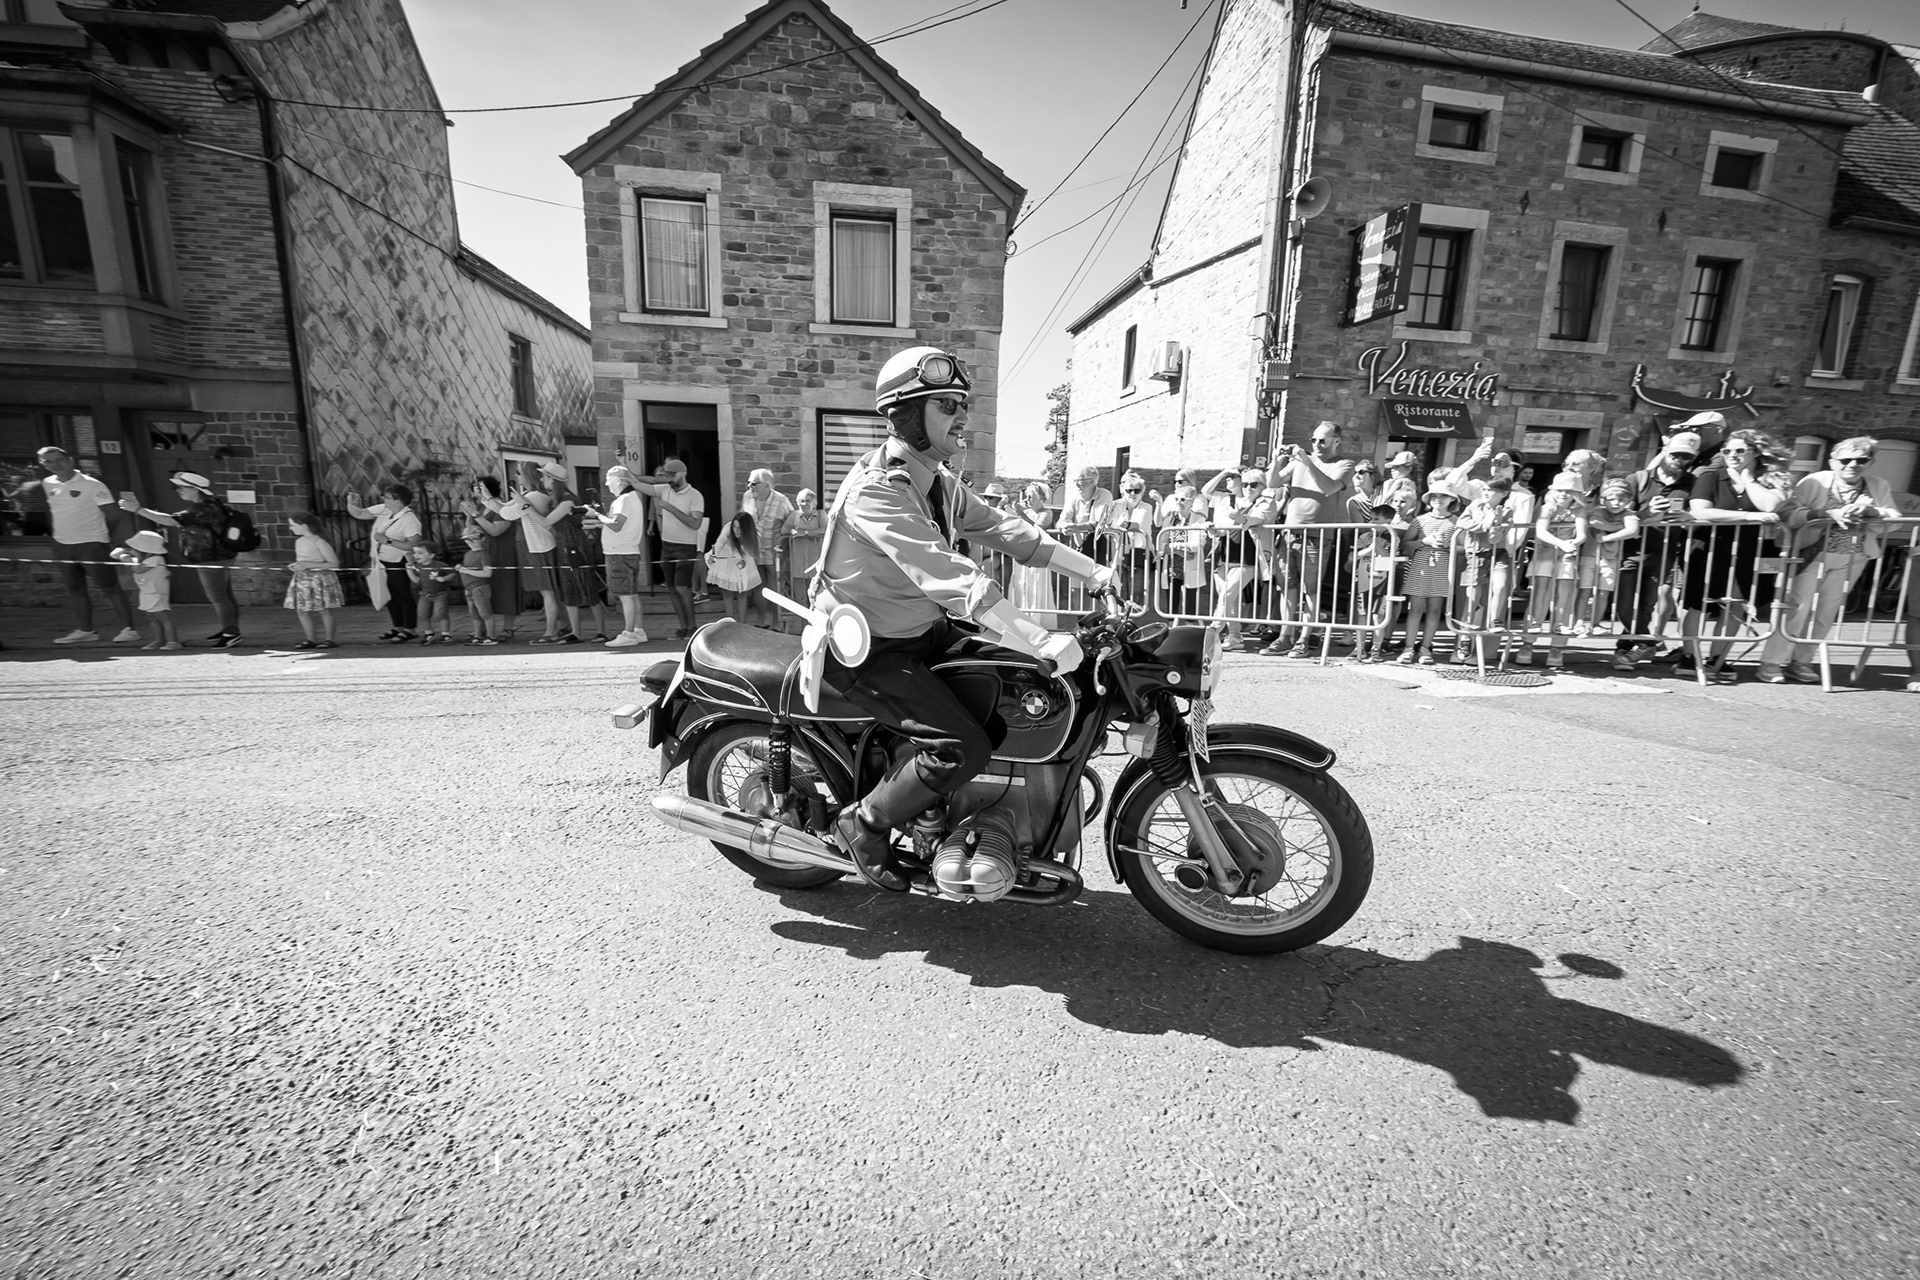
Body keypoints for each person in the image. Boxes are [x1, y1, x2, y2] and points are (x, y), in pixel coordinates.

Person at [814, 345, 1110, 892]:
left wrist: (1093, 571)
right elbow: (948, 574)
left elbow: (1006, 530)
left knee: (1019, 686)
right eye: (946, 405)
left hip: (922, 633)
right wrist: (1037, 635)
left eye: (962, 405)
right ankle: (865, 824)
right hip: (869, 649)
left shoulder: (938, 482)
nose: (961, 417)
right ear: (907, 415)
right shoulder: (877, 491)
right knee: (960, 746)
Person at [1758, 436, 1902, 685]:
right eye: (1845, 460)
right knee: (1797, 608)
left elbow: (1894, 518)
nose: (1853, 465)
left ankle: (1801, 662)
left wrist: (1873, 512)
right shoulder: (1815, 482)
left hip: (1853, 557)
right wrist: (1823, 514)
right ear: (1833, 461)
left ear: (1870, 462)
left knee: (1826, 613)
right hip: (1812, 554)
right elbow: (1788, 512)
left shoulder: (1877, 484)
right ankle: (1771, 662)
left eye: (1861, 460)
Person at [1681, 429, 1788, 683]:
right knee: (1697, 603)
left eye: (1740, 450)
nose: (1732, 455)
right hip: (1710, 546)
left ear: (1756, 452)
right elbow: (1701, 511)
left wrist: (1749, 480)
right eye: (1727, 450)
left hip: (1753, 550)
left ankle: (1717, 658)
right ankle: (1689, 656)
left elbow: (1771, 506)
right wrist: (1750, 516)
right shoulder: (1710, 476)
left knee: (1737, 605)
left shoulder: (1771, 479)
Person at [22, 446, 139, 645]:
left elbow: (113, 514)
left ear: (70, 460)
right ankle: (86, 631)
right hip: (62, 545)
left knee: (109, 586)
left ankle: (129, 630)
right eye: (48, 462)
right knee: (74, 588)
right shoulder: (47, 483)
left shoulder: (93, 485)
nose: (54, 465)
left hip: (92, 544)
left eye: (58, 460)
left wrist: (103, 537)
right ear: (42, 465)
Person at [1263, 421, 1357, 656]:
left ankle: (1304, 640)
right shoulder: (1299, 462)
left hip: (1317, 537)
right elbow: (1272, 482)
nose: (1316, 444)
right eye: (1313, 440)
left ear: (1336, 441)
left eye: (1322, 440)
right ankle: (1284, 637)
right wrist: (1277, 460)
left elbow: (1329, 488)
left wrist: (1306, 460)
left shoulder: (1344, 464)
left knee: (1311, 591)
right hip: (1289, 534)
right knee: (1288, 589)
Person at [121, 471, 245, 647]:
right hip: (221, 555)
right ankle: (230, 628)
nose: (177, 490)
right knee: (225, 594)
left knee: (218, 596)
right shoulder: (212, 505)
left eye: (180, 487)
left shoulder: (201, 510)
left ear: (194, 489)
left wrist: (138, 510)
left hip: (211, 558)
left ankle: (230, 633)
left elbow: (170, 520)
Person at [1613, 431, 1700, 668]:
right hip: (1631, 550)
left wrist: (1688, 517)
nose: (1679, 460)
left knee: (1646, 605)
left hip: (1665, 551)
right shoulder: (1639, 479)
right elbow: (1618, 514)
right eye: (1675, 454)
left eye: (1686, 456)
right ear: (1665, 452)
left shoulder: (1692, 483)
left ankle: (1625, 647)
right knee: (1623, 603)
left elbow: (1699, 513)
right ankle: (1647, 642)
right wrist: (1647, 512)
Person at [632, 458, 705, 639]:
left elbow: (695, 524)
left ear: (683, 474)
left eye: (672, 476)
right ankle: (683, 627)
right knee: (672, 588)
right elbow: (641, 484)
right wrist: (624, 468)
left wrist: (671, 509)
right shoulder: (665, 489)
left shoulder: (695, 495)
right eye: (667, 476)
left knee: (682, 587)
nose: (669, 479)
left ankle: (693, 628)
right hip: (667, 545)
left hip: (685, 546)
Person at [343, 482, 425, 644]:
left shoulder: (409, 519)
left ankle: (410, 628)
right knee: (389, 594)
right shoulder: (385, 509)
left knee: (402, 594)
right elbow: (360, 514)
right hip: (381, 560)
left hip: (398, 560)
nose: (383, 499)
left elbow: (414, 545)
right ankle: (398, 626)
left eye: (387, 497)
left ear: (397, 501)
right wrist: (351, 504)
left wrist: (387, 541)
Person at [1523, 475, 1590, 670]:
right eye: (1560, 490)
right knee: (1539, 593)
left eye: (1569, 491)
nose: (1564, 494)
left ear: (1576, 494)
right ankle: (1527, 642)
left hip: (1567, 556)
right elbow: (1541, 531)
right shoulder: (1547, 508)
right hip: (1544, 554)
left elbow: (1582, 534)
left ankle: (1557, 646)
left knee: (1565, 596)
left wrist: (1573, 543)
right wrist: (1562, 543)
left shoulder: (1579, 510)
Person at [1397, 475, 1465, 666]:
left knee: (1435, 612)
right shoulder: (1419, 521)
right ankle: (1408, 648)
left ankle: (1425, 648)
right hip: (1419, 569)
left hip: (1443, 572)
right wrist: (1424, 542)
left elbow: (1464, 548)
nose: (1438, 499)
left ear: (1452, 499)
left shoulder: (1457, 522)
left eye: (1443, 496)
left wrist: (1448, 546)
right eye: (1434, 496)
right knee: (1414, 610)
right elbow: (1405, 545)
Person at [581, 466, 648, 647]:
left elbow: (617, 525)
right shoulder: (632, 497)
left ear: (618, 480)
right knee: (632, 594)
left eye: (608, 479)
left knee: (626, 596)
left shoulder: (624, 499)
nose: (606, 484)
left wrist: (597, 515)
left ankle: (629, 633)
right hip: (629, 551)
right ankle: (638, 631)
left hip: (619, 552)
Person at [461, 477, 522, 640]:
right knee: (482, 588)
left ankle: (508, 628)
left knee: (506, 586)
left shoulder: (501, 506)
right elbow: (471, 530)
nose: (475, 491)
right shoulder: (480, 506)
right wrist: (469, 515)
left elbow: (496, 530)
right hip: (483, 550)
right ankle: (482, 627)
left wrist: (475, 514)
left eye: (478, 487)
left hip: (502, 551)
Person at [110, 529, 179, 650]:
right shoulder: (142, 560)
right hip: (146, 592)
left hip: (157, 592)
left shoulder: (156, 559)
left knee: (162, 617)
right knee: (151, 617)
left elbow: (138, 570)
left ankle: (173, 642)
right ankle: (159, 640)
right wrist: (123, 553)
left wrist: (127, 559)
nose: (132, 551)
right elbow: (115, 555)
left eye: (135, 549)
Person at [741, 469, 793, 628]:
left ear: (766, 485)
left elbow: (792, 521)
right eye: (748, 483)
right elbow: (742, 519)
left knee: (775, 588)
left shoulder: (781, 500)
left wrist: (783, 544)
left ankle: (777, 623)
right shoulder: (747, 497)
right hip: (754, 551)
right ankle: (762, 621)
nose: (749, 486)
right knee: (758, 587)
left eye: (753, 483)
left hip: (774, 552)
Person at [284, 510, 343, 649]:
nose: (290, 528)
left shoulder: (319, 541)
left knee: (323, 609)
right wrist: (296, 566)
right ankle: (310, 639)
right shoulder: (299, 542)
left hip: (319, 578)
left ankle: (329, 639)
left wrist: (309, 565)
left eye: (292, 525)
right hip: (302, 579)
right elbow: (303, 560)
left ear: (304, 526)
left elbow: (334, 564)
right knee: (302, 610)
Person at [1104, 470, 1155, 603]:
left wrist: (1123, 525)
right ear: (1123, 491)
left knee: (1137, 592)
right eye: (1129, 490)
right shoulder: (1116, 504)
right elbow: (1109, 523)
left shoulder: (1147, 507)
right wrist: (1119, 523)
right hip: (1119, 554)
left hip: (1139, 555)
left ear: (1142, 492)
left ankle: (1137, 611)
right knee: (1119, 591)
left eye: (1137, 491)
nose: (1132, 493)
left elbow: (1139, 524)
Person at [705, 511, 760, 623]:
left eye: (740, 528)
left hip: (744, 563)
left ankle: (741, 626)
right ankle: (730, 625)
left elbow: (753, 553)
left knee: (742, 595)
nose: (736, 530)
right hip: (727, 564)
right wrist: (712, 556)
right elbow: (718, 545)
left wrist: (742, 561)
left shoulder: (754, 536)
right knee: (728, 595)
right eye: (734, 526)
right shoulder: (727, 530)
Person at [407, 542, 458, 644]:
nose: (416, 555)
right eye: (415, 553)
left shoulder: (440, 565)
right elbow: (416, 580)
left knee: (441, 614)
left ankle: (445, 633)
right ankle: (429, 633)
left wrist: (444, 578)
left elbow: (453, 574)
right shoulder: (417, 566)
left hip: (440, 594)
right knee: (422, 614)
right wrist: (409, 570)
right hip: (425, 595)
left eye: (420, 553)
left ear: (431, 555)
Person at [455, 523, 497, 645]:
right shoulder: (468, 554)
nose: (471, 542)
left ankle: (491, 637)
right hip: (469, 588)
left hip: (480, 587)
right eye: (467, 539)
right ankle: (477, 636)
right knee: (474, 614)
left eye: (474, 539)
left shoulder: (484, 555)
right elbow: (467, 568)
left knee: (485, 613)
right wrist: (461, 568)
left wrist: (466, 571)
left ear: (482, 539)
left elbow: (487, 573)